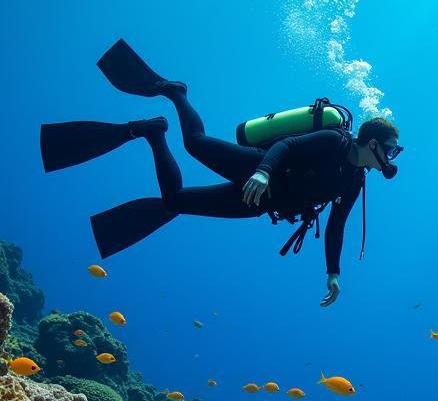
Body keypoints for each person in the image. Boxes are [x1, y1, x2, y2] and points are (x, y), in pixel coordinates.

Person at [40, 40, 402, 307]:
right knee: (195, 143)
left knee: (173, 201)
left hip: (259, 203)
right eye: (391, 148)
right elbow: (287, 146)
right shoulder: (335, 140)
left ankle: (153, 132)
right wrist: (261, 172)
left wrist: (333, 272)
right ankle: (176, 93)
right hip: (257, 170)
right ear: (372, 144)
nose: (393, 155)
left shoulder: (355, 180)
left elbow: (337, 225)